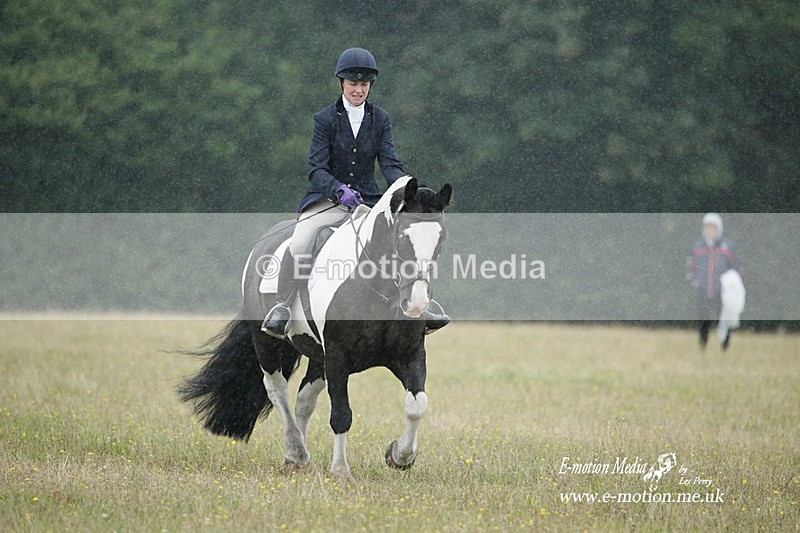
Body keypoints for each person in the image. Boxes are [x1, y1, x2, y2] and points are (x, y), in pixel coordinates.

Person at [262, 47, 449, 338]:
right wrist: (337, 189)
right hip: (328, 200)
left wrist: (406, 190)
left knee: (406, 240)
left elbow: (390, 163)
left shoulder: (381, 119)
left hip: (369, 202)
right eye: (353, 84)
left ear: (369, 86)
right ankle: (283, 307)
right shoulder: (324, 119)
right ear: (342, 84)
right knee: (300, 241)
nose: (358, 89)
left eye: (363, 84)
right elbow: (316, 169)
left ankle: (419, 304)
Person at [687, 213, 743, 350]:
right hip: (703, 291)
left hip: (722, 292)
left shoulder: (727, 247)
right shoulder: (698, 248)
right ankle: (702, 346)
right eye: (707, 227)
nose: (710, 230)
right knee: (703, 320)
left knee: (723, 320)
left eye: (713, 227)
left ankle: (724, 347)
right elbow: (690, 268)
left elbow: (737, 268)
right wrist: (695, 281)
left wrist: (732, 284)